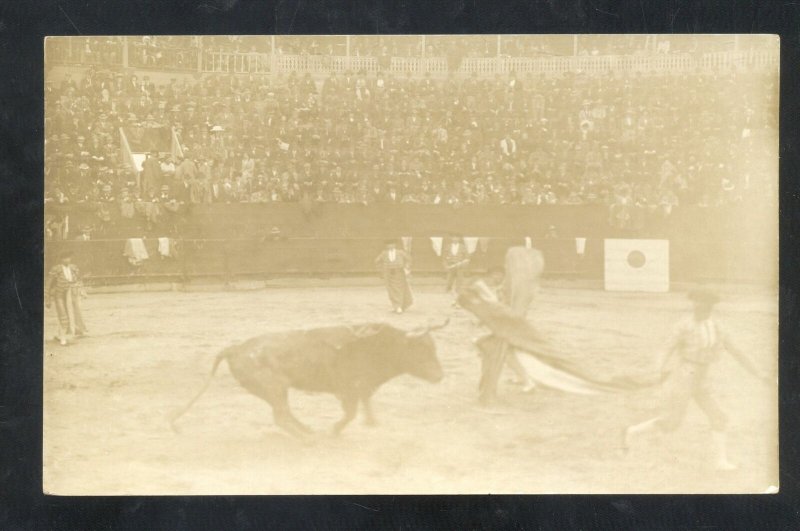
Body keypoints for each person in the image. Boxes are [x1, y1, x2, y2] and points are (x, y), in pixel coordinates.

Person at [622, 289, 770, 470]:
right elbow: (666, 348)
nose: (698, 307)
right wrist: (657, 369)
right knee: (671, 423)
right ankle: (630, 432)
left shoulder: (718, 327)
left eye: (703, 304)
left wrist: (760, 374)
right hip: (684, 375)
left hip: (702, 378)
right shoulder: (683, 326)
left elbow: (738, 352)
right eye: (696, 303)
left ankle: (720, 462)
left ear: (711, 306)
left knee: (719, 417)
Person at [472, 266, 536, 398]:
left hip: (510, 327)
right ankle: (522, 378)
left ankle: (528, 381)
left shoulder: (508, 290)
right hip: (509, 325)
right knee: (510, 353)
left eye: (499, 276)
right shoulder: (507, 289)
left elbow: (502, 309)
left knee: (507, 354)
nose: (497, 279)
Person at [45, 250, 88, 346]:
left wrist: (82, 291)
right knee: (63, 316)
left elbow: (78, 280)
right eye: (65, 258)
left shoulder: (73, 268)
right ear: (61, 259)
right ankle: (63, 338)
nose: (67, 260)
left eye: (69, 257)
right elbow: (48, 284)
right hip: (59, 295)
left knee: (74, 314)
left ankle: (63, 334)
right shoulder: (56, 269)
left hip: (71, 295)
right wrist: (47, 299)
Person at [374, 239, 413, 314]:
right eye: (388, 244)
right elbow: (376, 261)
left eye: (392, 244)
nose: (390, 246)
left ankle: (400, 306)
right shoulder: (384, 253)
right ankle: (397, 306)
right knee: (391, 290)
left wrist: (406, 268)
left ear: (395, 245)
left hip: (399, 273)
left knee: (400, 289)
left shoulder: (400, 252)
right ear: (386, 246)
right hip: (388, 274)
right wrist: (381, 271)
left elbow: (409, 259)